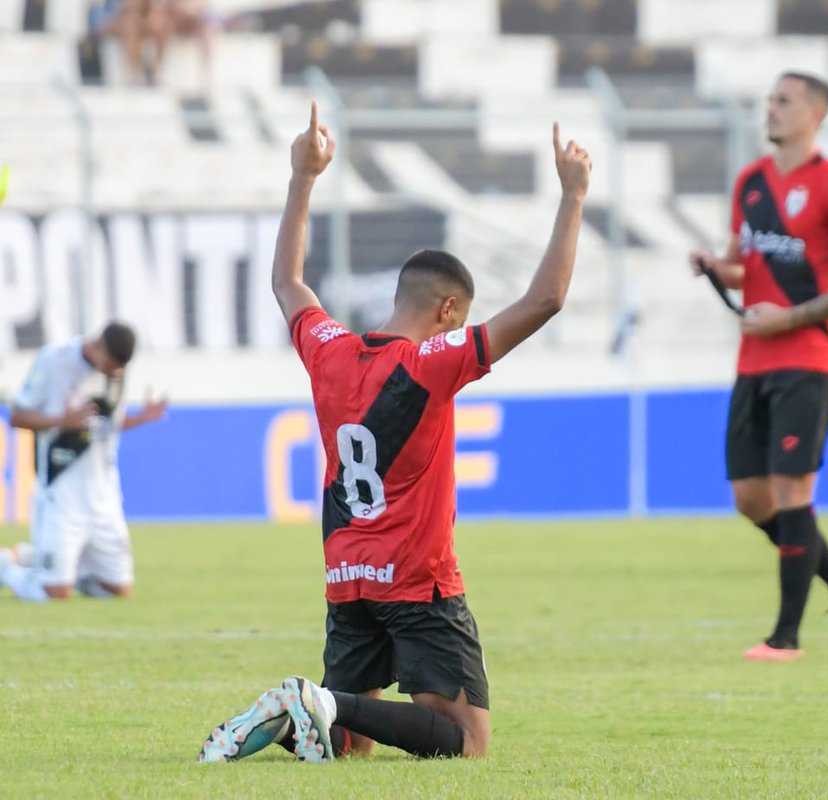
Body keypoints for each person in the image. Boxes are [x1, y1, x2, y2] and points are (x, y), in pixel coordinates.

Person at [198, 102, 591, 763]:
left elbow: (287, 281)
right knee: (467, 742)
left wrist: (303, 176)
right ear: (447, 310)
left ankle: (311, 716)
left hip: (347, 576)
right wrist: (574, 195)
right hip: (417, 579)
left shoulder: (328, 348)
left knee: (350, 749)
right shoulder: (433, 363)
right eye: (455, 317)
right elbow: (545, 300)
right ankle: (317, 701)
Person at [690, 72, 828, 661]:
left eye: (782, 100)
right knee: (752, 498)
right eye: (768, 99)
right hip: (755, 358)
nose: (769, 109)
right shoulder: (750, 183)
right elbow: (743, 264)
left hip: (810, 356)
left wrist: (789, 317)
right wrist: (713, 269)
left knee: (792, 490)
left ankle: (786, 638)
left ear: (815, 113)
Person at [0, 322, 167, 602]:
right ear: (99, 347)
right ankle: (5, 567)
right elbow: (17, 416)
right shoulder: (54, 360)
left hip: (104, 498)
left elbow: (104, 425)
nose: (114, 373)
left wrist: (140, 419)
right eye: (111, 366)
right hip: (61, 494)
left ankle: (42, 559)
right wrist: (61, 422)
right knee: (53, 594)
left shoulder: (115, 371)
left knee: (117, 591)